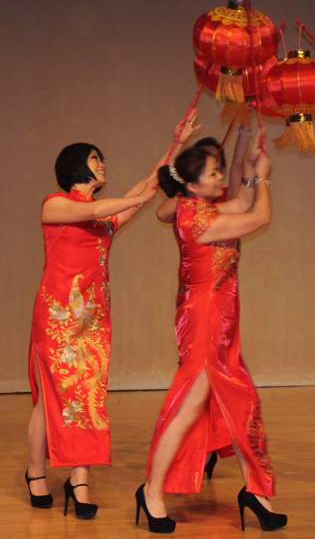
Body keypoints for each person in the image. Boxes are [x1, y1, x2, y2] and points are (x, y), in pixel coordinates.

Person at [26, 117, 199, 518]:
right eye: (94, 159)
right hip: (57, 316)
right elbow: (114, 203)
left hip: (93, 319)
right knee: (51, 398)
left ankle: (79, 480)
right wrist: (136, 198)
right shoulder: (55, 204)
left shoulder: (103, 220)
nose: (102, 164)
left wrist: (175, 142)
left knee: (88, 398)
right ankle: (36, 472)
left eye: (102, 159)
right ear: (75, 166)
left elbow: (144, 188)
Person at [135, 136, 287, 533]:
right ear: (192, 185)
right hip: (204, 322)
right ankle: (151, 491)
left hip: (221, 320)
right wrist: (264, 180)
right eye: (213, 173)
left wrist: (251, 172)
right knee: (187, 410)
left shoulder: (198, 205)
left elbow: (240, 203)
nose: (220, 176)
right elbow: (259, 218)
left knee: (241, 404)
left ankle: (256, 492)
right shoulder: (196, 218)